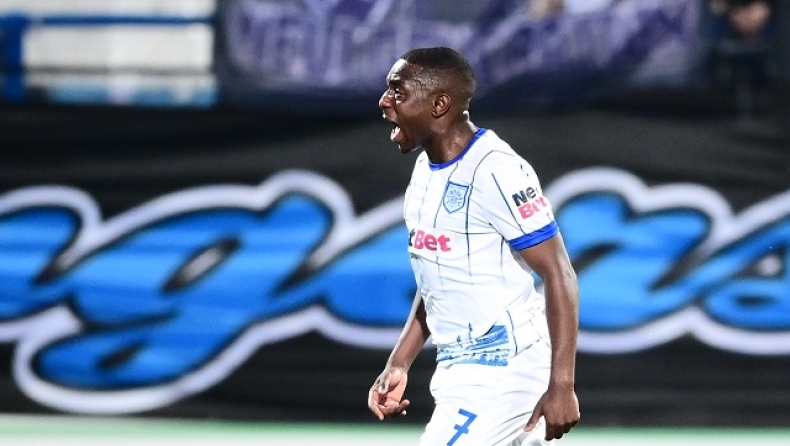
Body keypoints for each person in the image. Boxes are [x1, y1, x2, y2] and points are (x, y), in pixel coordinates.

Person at [367, 47, 580, 445]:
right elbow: (437, 279)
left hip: (505, 371)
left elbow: (559, 272)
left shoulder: (496, 170)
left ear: (439, 104)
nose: (384, 101)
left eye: (397, 91)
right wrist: (399, 362)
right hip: (460, 371)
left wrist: (562, 385)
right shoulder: (424, 170)